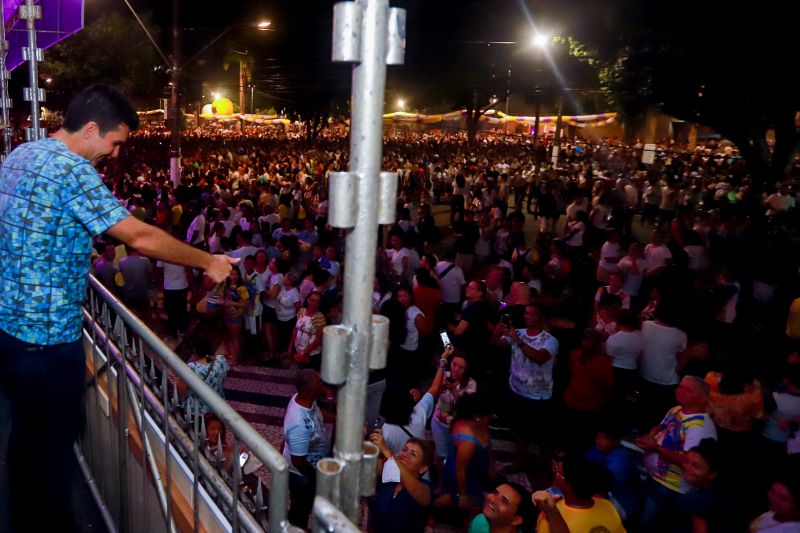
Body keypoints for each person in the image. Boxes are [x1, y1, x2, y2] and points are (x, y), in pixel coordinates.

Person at [0, 84, 236, 532]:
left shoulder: (21, 154)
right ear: (91, 129)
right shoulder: (72, 170)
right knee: (52, 460)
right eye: (115, 143)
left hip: (9, 332)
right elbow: (141, 237)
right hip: (47, 344)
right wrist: (209, 261)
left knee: (26, 442)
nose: (114, 154)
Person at [636, 376, 718, 531]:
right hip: (657, 479)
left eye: (688, 390)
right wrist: (651, 435)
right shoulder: (677, 409)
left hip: (671, 488)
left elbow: (689, 461)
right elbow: (661, 425)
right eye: (680, 386)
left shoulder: (699, 428)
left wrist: (655, 448)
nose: (680, 391)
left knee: (648, 525)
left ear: (702, 398)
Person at [492, 303, 559, 472]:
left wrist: (518, 341)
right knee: (519, 430)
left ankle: (548, 468)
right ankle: (519, 462)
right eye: (526, 314)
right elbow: (496, 344)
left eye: (532, 314)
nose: (527, 317)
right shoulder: (518, 332)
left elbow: (540, 357)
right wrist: (498, 328)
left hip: (538, 396)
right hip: (516, 390)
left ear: (541, 317)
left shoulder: (550, 340)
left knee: (543, 436)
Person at [282, 369, 331, 528]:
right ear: (310, 391)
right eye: (319, 383)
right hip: (302, 476)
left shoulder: (304, 400)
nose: (322, 384)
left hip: (311, 467)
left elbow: (317, 413)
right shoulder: (299, 424)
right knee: (301, 510)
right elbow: (299, 461)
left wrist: (338, 418)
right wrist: (317, 477)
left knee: (303, 507)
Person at [533, 454, 626, 533]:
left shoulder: (550, 519)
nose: (555, 471)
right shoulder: (608, 506)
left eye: (557, 471)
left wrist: (550, 510)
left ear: (568, 485)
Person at [368, 431, 435, 533]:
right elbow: (370, 468)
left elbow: (413, 487)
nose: (405, 455)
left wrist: (387, 450)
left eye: (413, 454)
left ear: (423, 468)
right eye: (404, 449)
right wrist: (373, 447)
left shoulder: (426, 488)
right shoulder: (390, 475)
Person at [467, 482, 534, 533]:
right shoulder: (479, 521)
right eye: (495, 493)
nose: (492, 499)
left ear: (516, 520)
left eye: (504, 501)